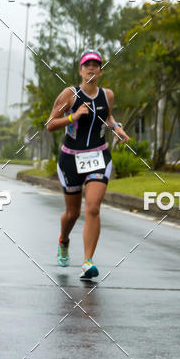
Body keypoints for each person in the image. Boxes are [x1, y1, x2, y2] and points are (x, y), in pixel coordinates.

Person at [46, 50, 129, 279]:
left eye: (95, 65)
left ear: (100, 71)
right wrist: (73, 116)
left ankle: (87, 261)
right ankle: (64, 240)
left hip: (98, 157)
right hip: (71, 158)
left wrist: (117, 128)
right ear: (80, 70)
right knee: (72, 213)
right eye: (86, 65)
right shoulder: (70, 95)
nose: (91, 69)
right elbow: (51, 124)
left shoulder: (107, 95)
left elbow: (107, 117)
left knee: (92, 207)